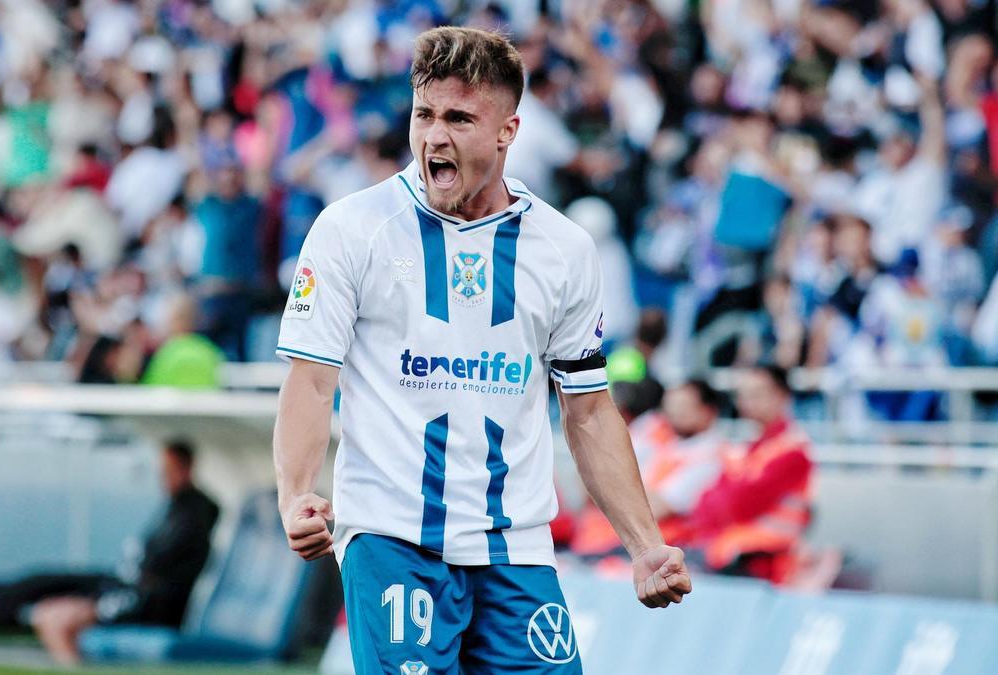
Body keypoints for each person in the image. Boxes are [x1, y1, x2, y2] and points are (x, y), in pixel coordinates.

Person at [273, 27, 690, 674]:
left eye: (460, 118)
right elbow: (310, 381)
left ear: (507, 131)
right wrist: (295, 491)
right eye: (425, 115)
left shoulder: (563, 250)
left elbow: (587, 412)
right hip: (393, 538)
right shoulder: (352, 228)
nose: (434, 136)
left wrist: (644, 545)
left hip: (516, 548)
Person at [31, 440, 219, 665]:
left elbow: (156, 565)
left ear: (186, 468)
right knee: (46, 608)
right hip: (131, 589)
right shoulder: (175, 509)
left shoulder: (193, 514)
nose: (163, 478)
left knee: (56, 621)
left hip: (148, 604)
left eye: (169, 471)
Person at [571, 380, 728, 559]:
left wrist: (612, 486)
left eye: (684, 407)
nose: (675, 413)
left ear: (708, 411)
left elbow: (654, 509)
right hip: (610, 539)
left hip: (660, 546)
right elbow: (593, 481)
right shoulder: (658, 435)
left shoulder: (710, 456)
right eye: (671, 406)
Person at [688, 365, 814, 583]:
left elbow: (737, 505)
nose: (747, 403)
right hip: (731, 552)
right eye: (743, 395)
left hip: (764, 562)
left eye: (756, 394)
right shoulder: (749, 448)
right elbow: (706, 503)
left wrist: (723, 500)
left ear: (782, 396)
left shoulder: (792, 450)